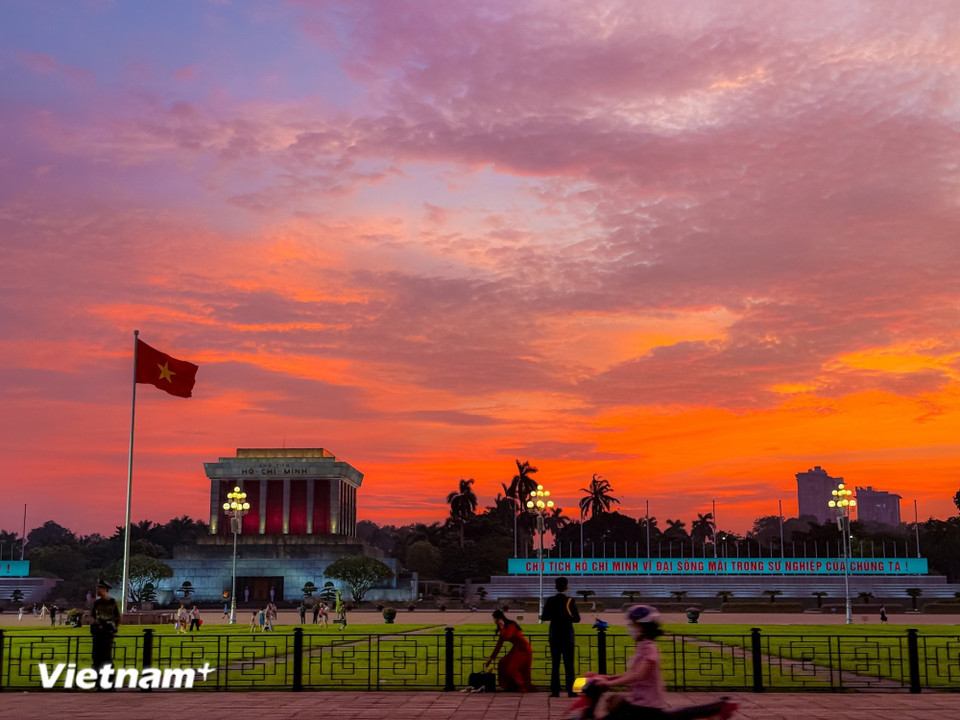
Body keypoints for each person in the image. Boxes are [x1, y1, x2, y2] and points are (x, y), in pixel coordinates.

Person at [588, 605, 737, 720]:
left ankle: (719, 707)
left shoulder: (650, 649)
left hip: (646, 706)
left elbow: (639, 674)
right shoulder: (642, 646)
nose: (630, 628)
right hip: (639, 701)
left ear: (642, 627)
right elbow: (633, 673)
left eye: (633, 625)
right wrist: (608, 677)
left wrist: (610, 683)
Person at [541, 576, 580, 697]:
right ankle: (571, 690)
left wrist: (555, 617)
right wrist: (566, 618)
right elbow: (577, 619)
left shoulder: (551, 600)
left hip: (554, 635)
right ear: (566, 586)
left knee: (555, 663)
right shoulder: (570, 601)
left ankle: (555, 690)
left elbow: (544, 617)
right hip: (567, 635)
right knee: (569, 664)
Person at [484, 609, 535, 692]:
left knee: (511, 668)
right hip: (517, 648)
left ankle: (520, 686)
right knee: (502, 663)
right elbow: (499, 644)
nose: (494, 621)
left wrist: (502, 627)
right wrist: (492, 658)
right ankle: (508, 686)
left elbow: (507, 637)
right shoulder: (504, 628)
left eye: (495, 619)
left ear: (499, 619)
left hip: (523, 649)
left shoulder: (511, 625)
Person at [90, 580, 121, 675]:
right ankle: (98, 680)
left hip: (107, 632)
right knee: (96, 657)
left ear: (105, 590)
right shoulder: (97, 603)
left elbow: (117, 617)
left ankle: (108, 681)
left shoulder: (112, 602)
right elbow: (94, 616)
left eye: (99, 588)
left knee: (106, 657)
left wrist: (112, 627)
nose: (97, 590)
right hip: (98, 633)